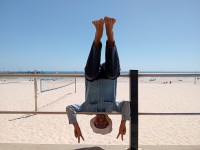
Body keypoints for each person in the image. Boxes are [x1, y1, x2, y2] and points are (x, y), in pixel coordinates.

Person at [66, 16, 130, 143]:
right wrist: (123, 122)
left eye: (98, 123)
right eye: (104, 124)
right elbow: (127, 104)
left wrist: (76, 125)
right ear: (108, 120)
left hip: (93, 75)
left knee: (89, 74)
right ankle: (110, 35)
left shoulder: (87, 109)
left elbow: (70, 108)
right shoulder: (113, 108)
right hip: (108, 75)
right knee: (113, 73)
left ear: (94, 121)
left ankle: (97, 36)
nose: (101, 121)